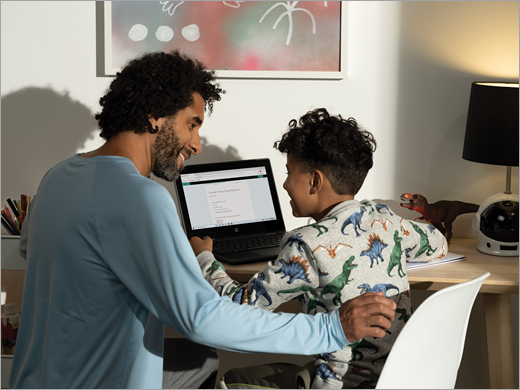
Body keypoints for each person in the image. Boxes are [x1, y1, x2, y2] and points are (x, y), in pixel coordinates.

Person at [9, 52, 397, 389]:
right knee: (204, 344)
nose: (196, 143)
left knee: (200, 357)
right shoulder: (140, 197)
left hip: (38, 379)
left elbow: (32, 248)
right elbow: (200, 318)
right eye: (192, 123)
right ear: (155, 117)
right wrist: (331, 329)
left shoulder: (58, 176)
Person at [191, 108, 448, 389]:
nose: (286, 184)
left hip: (338, 382)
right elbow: (438, 243)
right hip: (398, 378)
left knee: (231, 379)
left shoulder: (305, 244)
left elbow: (235, 307)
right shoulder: (385, 218)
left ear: (315, 181)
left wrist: (204, 257)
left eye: (289, 173)